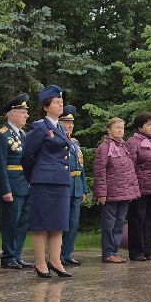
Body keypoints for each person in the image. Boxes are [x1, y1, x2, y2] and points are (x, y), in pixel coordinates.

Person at [22, 86, 75, 279]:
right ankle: (40, 263)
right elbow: (27, 155)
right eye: (57, 102)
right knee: (41, 224)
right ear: (46, 106)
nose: (61, 105)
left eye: (62, 102)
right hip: (44, 181)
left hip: (61, 180)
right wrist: (34, 177)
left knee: (58, 223)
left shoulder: (60, 127)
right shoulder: (39, 126)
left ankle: (56, 261)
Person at [0, 95, 32, 269]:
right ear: (12, 114)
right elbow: (0, 165)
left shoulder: (23, 134)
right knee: (11, 222)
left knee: (23, 222)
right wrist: (5, 189)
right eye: (23, 112)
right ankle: (8, 255)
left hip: (25, 184)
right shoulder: (2, 135)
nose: (26, 116)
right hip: (12, 185)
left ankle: (17, 254)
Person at [94, 116, 138, 263]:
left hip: (124, 193)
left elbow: (129, 171)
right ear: (109, 130)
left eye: (122, 128)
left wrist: (133, 191)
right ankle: (107, 253)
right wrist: (101, 193)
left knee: (119, 224)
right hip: (110, 194)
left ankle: (114, 251)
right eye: (117, 127)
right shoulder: (104, 147)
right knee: (109, 224)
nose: (120, 130)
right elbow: (99, 172)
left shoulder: (123, 146)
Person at [123, 111, 151, 262]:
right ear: (139, 126)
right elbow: (130, 166)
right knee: (137, 219)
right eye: (149, 124)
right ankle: (136, 251)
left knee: (150, 219)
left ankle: (147, 250)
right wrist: (132, 187)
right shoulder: (133, 142)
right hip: (139, 188)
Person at [59, 109, 87, 268]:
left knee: (73, 222)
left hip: (76, 186)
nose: (70, 126)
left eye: (71, 123)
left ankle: (68, 253)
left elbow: (81, 167)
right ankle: (58, 254)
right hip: (64, 185)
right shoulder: (57, 141)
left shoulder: (75, 143)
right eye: (66, 123)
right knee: (61, 222)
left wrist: (83, 188)